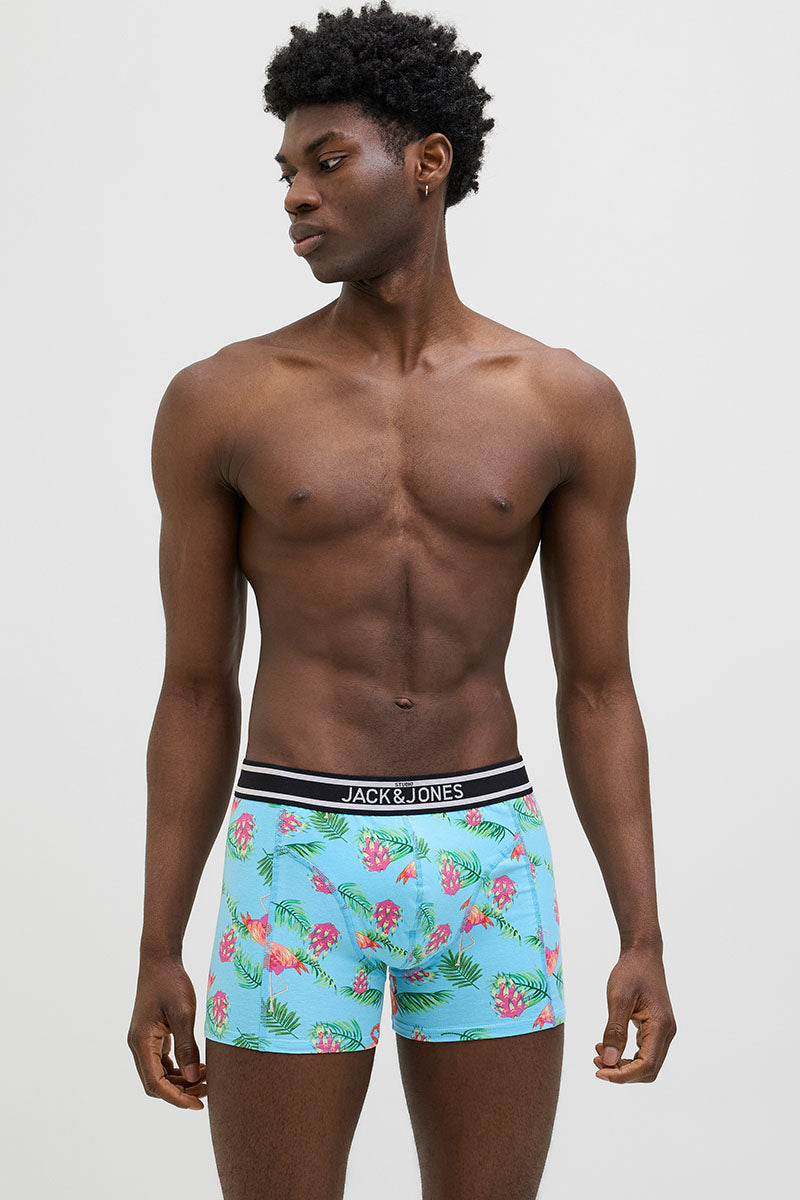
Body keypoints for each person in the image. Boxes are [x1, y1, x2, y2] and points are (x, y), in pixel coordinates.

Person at [128, 3, 676, 1196]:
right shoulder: (221, 402)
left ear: (427, 162)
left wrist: (640, 928)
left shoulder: (562, 402)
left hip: (485, 853)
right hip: (294, 853)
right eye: (285, 170)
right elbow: (195, 687)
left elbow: (596, 686)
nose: (295, 196)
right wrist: (157, 942)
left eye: (328, 162)